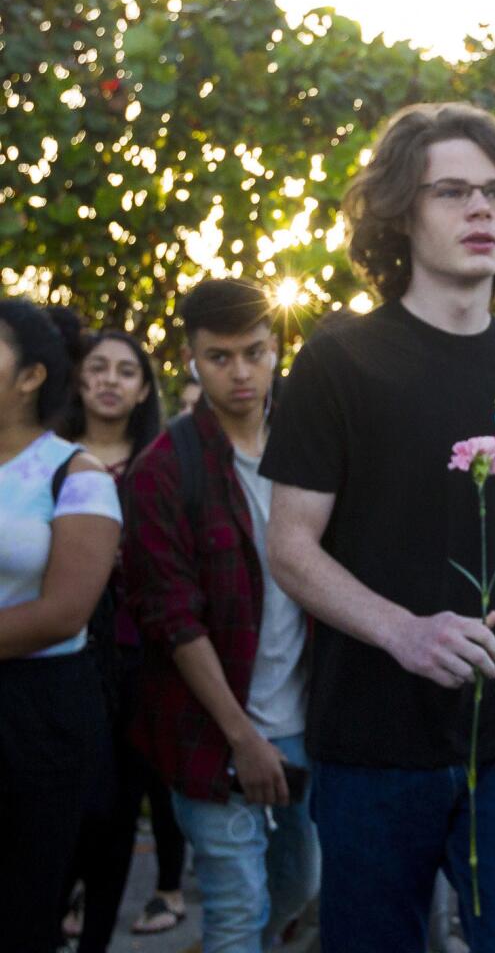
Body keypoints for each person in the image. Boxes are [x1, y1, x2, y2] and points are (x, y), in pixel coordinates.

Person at [261, 101, 495, 953]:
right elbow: (289, 546)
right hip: (369, 744)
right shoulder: (336, 360)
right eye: (451, 191)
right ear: (401, 212)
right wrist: (402, 632)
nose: (481, 209)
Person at [123, 278, 319, 953]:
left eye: (255, 353)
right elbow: (173, 619)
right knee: (236, 912)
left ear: (276, 349)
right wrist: (242, 738)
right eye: (220, 357)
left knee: (296, 888)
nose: (241, 372)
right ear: (191, 358)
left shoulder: (310, 453)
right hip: (211, 733)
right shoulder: (162, 470)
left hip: (304, 722)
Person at [58, 329, 189, 947]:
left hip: (141, 658)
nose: (110, 380)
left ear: (143, 389)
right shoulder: (43, 456)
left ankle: (98, 932)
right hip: (51, 654)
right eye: (97, 368)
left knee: (117, 804)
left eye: (126, 371)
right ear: (76, 379)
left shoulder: (162, 464)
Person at [0, 299, 123, 953]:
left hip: (37, 716)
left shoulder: (75, 475)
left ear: (31, 377)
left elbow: (64, 612)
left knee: (21, 908)